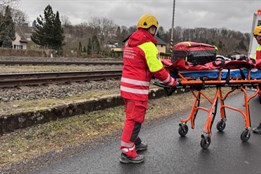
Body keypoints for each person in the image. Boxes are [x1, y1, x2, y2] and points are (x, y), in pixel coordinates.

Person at [119, 14, 178, 164]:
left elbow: (138, 65)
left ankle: (135, 141)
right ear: (152, 29)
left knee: (131, 117)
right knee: (135, 119)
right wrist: (171, 81)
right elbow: (157, 70)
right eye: (155, 29)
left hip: (126, 87)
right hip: (136, 90)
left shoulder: (130, 43)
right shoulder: (148, 46)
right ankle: (127, 151)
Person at [252, 25, 261, 134]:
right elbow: (254, 62)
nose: (257, 40)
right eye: (256, 37)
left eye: (259, 37)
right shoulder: (258, 48)